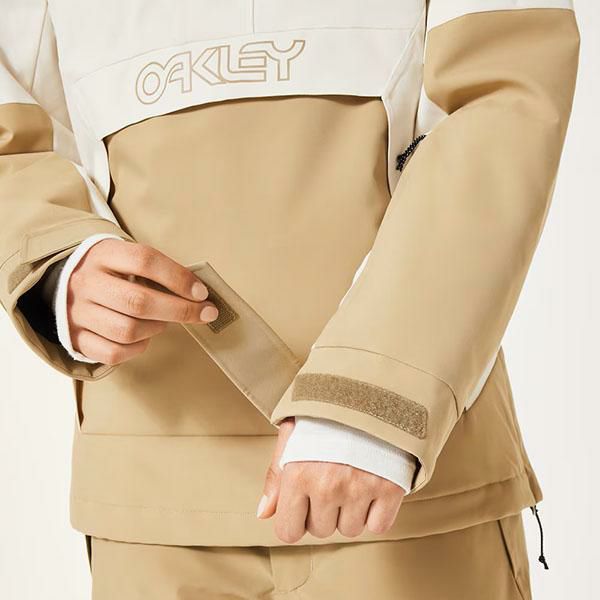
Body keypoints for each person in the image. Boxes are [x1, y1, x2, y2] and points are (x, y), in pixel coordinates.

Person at [0, 1, 579, 598]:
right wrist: (57, 263)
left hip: (397, 480)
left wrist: (373, 402)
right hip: (150, 490)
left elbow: (503, 107)